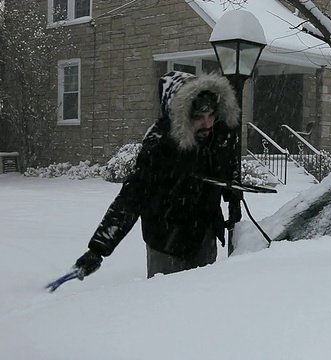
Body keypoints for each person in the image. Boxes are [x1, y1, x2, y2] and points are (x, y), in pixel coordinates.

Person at [73, 70, 241, 279]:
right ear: (180, 115)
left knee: (201, 304)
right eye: (198, 117)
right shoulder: (159, 146)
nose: (207, 124)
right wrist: (98, 249)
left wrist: (233, 196)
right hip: (166, 244)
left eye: (211, 115)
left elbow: (228, 165)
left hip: (204, 240)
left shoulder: (218, 135)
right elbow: (131, 198)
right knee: (165, 306)